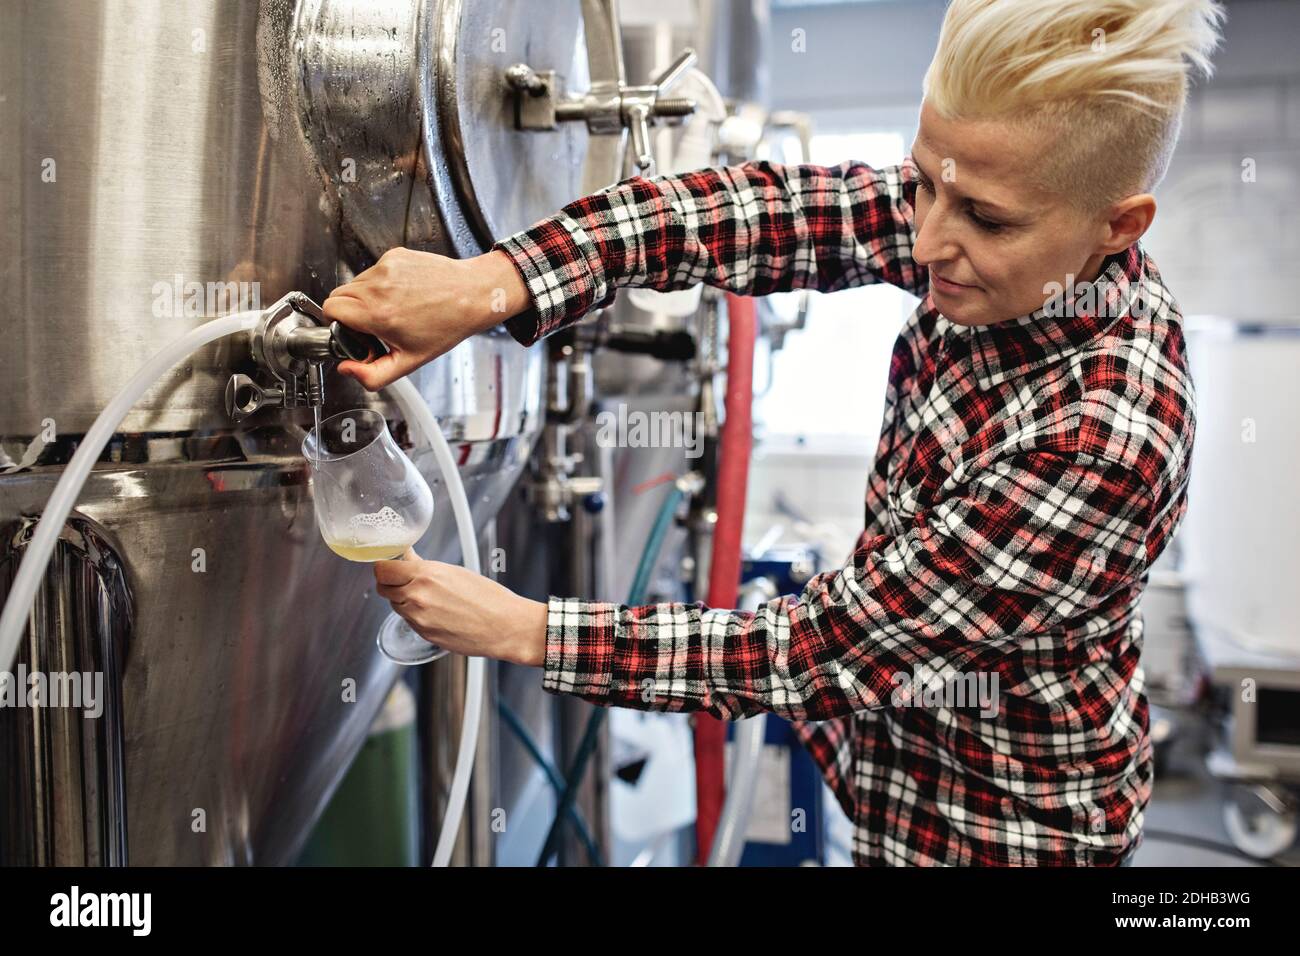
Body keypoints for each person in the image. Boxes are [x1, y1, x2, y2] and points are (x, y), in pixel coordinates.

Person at [322, 0, 1225, 865]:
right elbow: (759, 214)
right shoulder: (978, 224)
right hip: (889, 780)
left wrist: (529, 631)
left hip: (1002, 831)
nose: (923, 242)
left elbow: (821, 652)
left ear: (1119, 226)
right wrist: (497, 284)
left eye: (983, 218)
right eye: (920, 185)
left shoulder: (1105, 435)